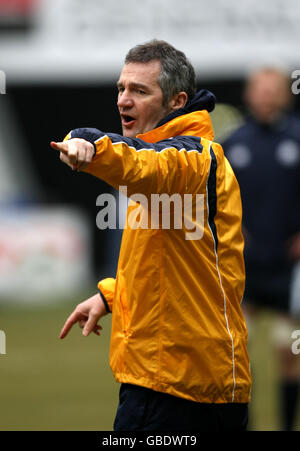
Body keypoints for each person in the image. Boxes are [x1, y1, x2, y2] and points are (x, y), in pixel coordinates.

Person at [50, 40, 251, 431]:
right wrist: (111, 294)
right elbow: (169, 260)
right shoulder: (170, 158)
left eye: (139, 91)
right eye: (121, 88)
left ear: (177, 102)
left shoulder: (192, 158)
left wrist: (92, 145)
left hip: (176, 384)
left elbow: (139, 164)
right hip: (190, 379)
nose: (124, 100)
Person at [222, 67, 300, 431]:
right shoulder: (232, 143)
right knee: (237, 354)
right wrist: (230, 230)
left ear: (284, 94)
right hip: (244, 267)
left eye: (274, 90)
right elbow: (216, 201)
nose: (267, 96)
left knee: (290, 350)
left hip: (290, 266)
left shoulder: (297, 138)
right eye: (260, 89)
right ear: (250, 94)